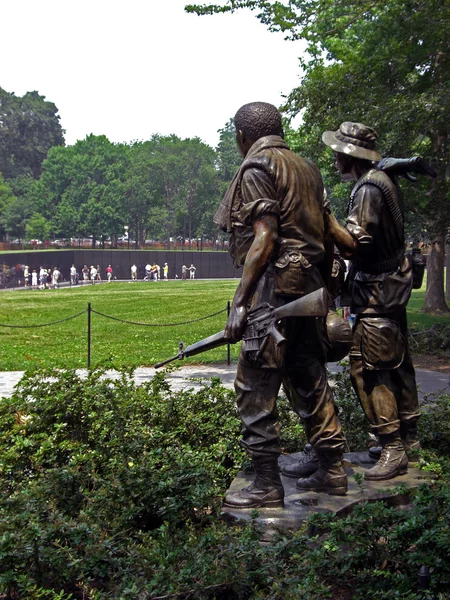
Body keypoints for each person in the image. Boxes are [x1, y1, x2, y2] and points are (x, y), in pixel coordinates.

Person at [215, 102, 346, 509]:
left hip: (273, 294)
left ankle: (267, 482)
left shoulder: (258, 168)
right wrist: (324, 295)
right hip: (307, 292)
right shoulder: (308, 168)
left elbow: (265, 237)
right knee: (308, 377)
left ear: (242, 137)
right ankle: (332, 469)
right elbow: (325, 237)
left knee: (253, 385)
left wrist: (240, 302)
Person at [321, 121, 421, 481]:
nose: (334, 158)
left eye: (338, 152)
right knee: (397, 363)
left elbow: (354, 243)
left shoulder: (367, 189)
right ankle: (409, 440)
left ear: (350, 156)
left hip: (377, 293)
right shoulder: (382, 179)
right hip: (390, 289)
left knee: (368, 368)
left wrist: (325, 216)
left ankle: (393, 447)